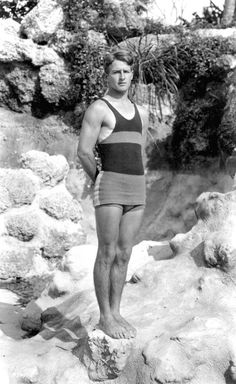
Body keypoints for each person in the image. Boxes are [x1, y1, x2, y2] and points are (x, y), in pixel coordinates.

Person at [78, 49, 148, 339]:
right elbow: (83, 152)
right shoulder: (99, 108)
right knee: (106, 252)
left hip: (136, 188)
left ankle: (117, 311)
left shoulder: (141, 112)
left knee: (125, 252)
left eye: (126, 71)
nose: (122, 76)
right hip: (109, 185)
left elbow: (140, 151)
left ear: (133, 75)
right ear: (107, 75)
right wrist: (99, 180)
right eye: (116, 71)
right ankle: (105, 316)